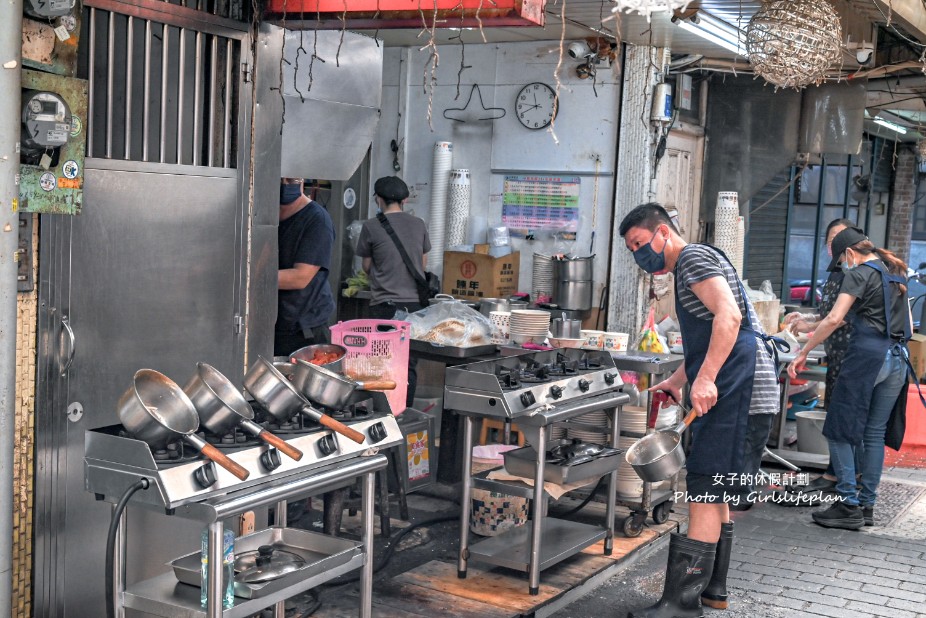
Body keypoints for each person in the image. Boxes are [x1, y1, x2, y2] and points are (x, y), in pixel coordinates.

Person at [620, 203, 780, 617]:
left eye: (639, 243)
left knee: (705, 488)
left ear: (662, 233)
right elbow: (710, 331)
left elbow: (729, 317)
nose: (639, 255)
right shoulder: (691, 264)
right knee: (716, 486)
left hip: (738, 389)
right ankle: (713, 590)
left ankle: (680, 605)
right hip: (741, 387)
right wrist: (680, 378)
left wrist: (705, 379)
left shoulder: (691, 258)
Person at [788, 227, 911, 530]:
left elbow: (833, 318)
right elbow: (904, 322)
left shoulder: (857, 273)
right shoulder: (894, 272)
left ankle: (847, 504)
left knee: (839, 430)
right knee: (873, 434)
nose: (843, 267)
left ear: (850, 254)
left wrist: (804, 352)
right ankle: (867, 505)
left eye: (842, 261)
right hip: (897, 360)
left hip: (867, 358)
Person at [783, 219, 857, 501]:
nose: (834, 245)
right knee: (834, 416)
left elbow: (839, 318)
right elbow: (827, 314)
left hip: (851, 357)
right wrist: (808, 319)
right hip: (835, 355)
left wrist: (806, 345)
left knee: (843, 420)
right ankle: (835, 474)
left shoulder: (855, 274)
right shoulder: (836, 273)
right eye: (830, 239)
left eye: (840, 238)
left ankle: (840, 479)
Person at [356, 175, 431, 407]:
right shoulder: (419, 224)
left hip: (384, 307)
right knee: (408, 363)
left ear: (378, 199)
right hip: (416, 307)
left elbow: (366, 266)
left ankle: (384, 414)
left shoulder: (370, 226)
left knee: (381, 362)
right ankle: (406, 412)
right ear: (405, 200)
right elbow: (423, 264)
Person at [274, 177, 336, 357]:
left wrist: (245, 276)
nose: (286, 184)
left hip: (304, 330)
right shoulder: (261, 217)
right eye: (280, 178)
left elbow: (299, 277)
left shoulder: (317, 220)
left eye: (291, 179)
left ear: (302, 181)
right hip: (272, 324)